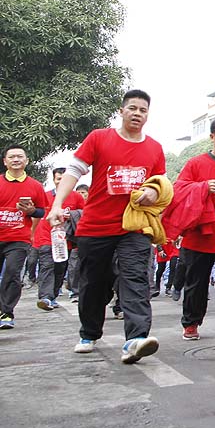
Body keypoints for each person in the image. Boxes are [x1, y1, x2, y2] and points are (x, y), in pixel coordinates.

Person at [47, 89, 168, 364]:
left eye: (143, 110)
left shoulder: (154, 148)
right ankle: (89, 332)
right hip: (95, 227)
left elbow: (161, 185)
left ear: (148, 116)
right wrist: (57, 205)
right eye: (133, 108)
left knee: (135, 278)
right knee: (93, 283)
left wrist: (153, 193)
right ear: (122, 111)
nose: (137, 114)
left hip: (133, 227)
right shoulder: (99, 138)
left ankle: (136, 339)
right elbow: (74, 172)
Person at [166, 116, 215, 346]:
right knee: (196, 284)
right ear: (212, 137)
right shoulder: (195, 164)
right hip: (198, 236)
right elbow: (178, 190)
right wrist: (203, 187)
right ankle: (191, 322)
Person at [0, 144, 50, 329]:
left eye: (19, 156)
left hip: (18, 238)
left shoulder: (35, 186)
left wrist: (31, 210)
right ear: (5, 162)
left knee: (12, 274)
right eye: (11, 157)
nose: (16, 160)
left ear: (26, 161)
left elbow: (41, 212)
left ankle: (6, 313)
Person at [32, 168, 85, 310]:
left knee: (60, 268)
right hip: (46, 238)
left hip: (65, 241)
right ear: (53, 180)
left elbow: (83, 215)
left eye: (64, 179)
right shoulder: (45, 195)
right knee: (46, 266)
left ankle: (53, 295)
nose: (61, 182)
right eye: (58, 179)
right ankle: (46, 297)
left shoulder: (77, 197)